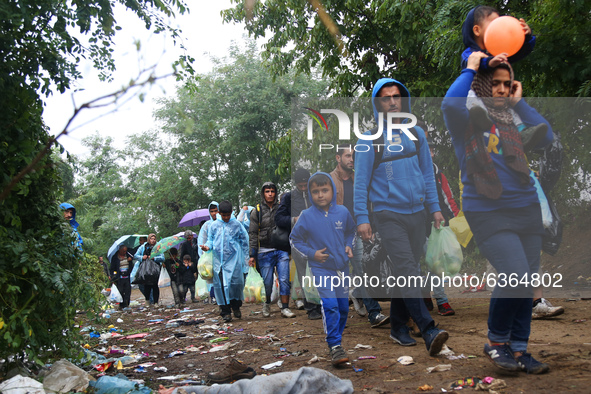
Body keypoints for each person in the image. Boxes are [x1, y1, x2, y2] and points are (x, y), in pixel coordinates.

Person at [441, 51, 553, 374]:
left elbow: (545, 134)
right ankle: (496, 341)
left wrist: (519, 103)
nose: (502, 89)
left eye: (507, 84)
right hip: (487, 210)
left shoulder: (514, 120)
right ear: (483, 86)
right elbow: (449, 103)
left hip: (526, 207)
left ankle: (519, 350)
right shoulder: (466, 119)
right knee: (515, 273)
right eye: (496, 84)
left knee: (528, 281)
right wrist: (471, 69)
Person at [354, 78, 448, 356]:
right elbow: (360, 183)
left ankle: (397, 327)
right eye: (386, 98)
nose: (393, 102)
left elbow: (427, 176)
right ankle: (428, 328)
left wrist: (435, 208)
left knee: (405, 271)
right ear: (377, 104)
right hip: (387, 214)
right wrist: (362, 217)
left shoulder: (416, 134)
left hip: (418, 214)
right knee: (409, 270)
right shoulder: (369, 140)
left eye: (397, 96)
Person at [290, 172, 356, 366]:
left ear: (332, 191)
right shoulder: (306, 216)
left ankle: (337, 339)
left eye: (325, 190)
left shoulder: (343, 212)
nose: (320, 195)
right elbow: (295, 240)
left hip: (342, 268)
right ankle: (334, 345)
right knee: (330, 306)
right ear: (310, 194)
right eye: (315, 191)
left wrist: (348, 245)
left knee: (343, 308)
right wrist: (312, 254)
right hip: (321, 268)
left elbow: (350, 231)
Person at [330, 146, 390, 327]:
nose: (351, 159)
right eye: (348, 156)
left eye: (353, 156)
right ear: (338, 158)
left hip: (357, 231)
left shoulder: (360, 178)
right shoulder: (329, 180)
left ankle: (374, 312)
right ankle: (348, 302)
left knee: (363, 270)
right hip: (336, 234)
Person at [275, 168, 323, 320]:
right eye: (300, 185)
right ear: (295, 184)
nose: (303, 188)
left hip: (318, 240)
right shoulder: (288, 197)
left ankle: (323, 305)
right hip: (299, 242)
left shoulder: (317, 193)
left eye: (305, 185)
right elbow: (279, 218)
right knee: (304, 276)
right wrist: (294, 220)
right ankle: (311, 308)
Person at [422, 138, 458, 316]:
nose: (430, 154)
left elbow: (448, 197)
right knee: (418, 264)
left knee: (435, 263)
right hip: (414, 223)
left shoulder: (438, 174)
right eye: (426, 150)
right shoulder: (412, 172)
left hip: (436, 225)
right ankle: (424, 295)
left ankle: (441, 299)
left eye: (432, 150)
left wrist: (457, 219)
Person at [249, 182, 294, 318]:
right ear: (263, 193)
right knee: (267, 282)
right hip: (264, 250)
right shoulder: (256, 211)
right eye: (267, 191)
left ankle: (285, 308)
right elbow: (252, 233)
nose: (270, 194)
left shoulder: (282, 208)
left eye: (272, 191)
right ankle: (267, 303)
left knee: (285, 279)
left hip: (281, 249)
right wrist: (252, 254)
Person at [201, 200, 249, 322]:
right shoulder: (214, 225)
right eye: (224, 215)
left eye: (228, 215)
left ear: (231, 212)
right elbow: (210, 240)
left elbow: (244, 240)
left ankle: (236, 306)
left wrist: (246, 258)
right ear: (219, 213)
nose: (226, 217)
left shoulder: (237, 224)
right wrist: (207, 247)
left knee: (236, 285)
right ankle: (225, 312)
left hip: (235, 261)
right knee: (221, 286)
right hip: (219, 262)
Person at [461, 5, 534, 71]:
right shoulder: (469, 53)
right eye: (494, 23)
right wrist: (489, 62)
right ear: (477, 30)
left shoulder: (498, 51)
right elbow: (470, 63)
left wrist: (527, 38)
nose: (499, 27)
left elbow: (520, 53)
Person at [133, 233, 164, 306]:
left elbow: (162, 258)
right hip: (145, 269)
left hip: (155, 269)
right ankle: (147, 302)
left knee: (155, 285)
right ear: (148, 239)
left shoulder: (158, 247)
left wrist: (154, 258)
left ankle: (156, 302)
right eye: (151, 239)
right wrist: (142, 257)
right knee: (146, 285)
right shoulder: (143, 247)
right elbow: (135, 256)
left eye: (154, 239)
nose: (153, 240)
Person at [110, 244, 134, 310]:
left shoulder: (128, 256)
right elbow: (112, 268)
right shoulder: (115, 257)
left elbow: (132, 265)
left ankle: (126, 305)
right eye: (123, 251)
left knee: (127, 291)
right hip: (119, 277)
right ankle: (121, 304)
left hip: (127, 276)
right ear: (120, 250)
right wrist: (113, 276)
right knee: (120, 291)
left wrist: (130, 260)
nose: (124, 252)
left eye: (125, 251)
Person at [180, 230, 199, 303]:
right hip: (187, 261)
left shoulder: (195, 242)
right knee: (185, 287)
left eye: (190, 237)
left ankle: (193, 297)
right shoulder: (184, 244)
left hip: (196, 261)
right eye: (187, 238)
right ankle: (184, 298)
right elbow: (182, 255)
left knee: (194, 282)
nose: (189, 239)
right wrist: (184, 263)